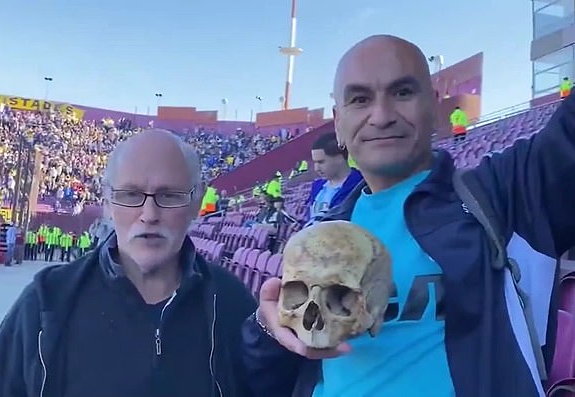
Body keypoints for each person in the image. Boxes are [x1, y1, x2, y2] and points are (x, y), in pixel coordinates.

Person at [242, 35, 575, 397]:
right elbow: (261, 378)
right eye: (359, 99)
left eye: (402, 92)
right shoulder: (320, 236)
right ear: (338, 122)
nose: (382, 116)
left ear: (434, 106)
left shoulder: (504, 195)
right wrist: (265, 328)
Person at [0, 129, 257, 397]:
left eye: (169, 196)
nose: (149, 214)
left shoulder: (233, 304)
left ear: (196, 201)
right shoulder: (46, 302)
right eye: (131, 195)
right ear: (107, 201)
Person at [305, 132, 362, 226]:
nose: (316, 168)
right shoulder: (317, 186)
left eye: (321, 162)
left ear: (339, 158)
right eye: (315, 162)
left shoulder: (360, 185)